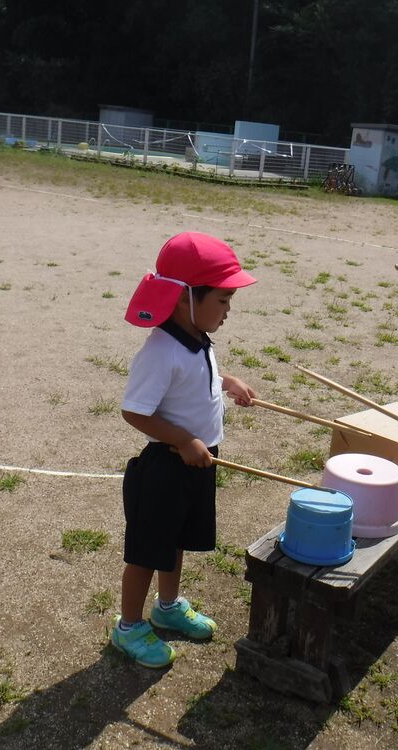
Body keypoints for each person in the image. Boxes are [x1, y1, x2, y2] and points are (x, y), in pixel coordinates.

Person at [112, 231, 257, 668]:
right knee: (147, 552)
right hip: (166, 468)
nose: (228, 311)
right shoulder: (160, 350)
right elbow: (134, 411)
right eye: (222, 301)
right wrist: (182, 439)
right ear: (183, 298)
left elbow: (196, 375)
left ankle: (168, 607)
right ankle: (129, 626)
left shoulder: (195, 336)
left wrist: (226, 381)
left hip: (196, 463)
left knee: (175, 542)